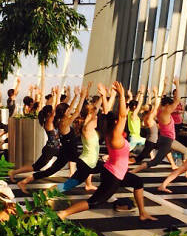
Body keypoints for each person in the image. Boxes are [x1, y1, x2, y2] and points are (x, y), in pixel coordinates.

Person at [58, 82, 157, 222]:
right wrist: (122, 96)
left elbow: (106, 113)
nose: (120, 121)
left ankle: (142, 213)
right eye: (118, 121)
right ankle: (63, 214)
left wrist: (105, 96)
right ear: (116, 122)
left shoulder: (108, 131)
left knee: (138, 182)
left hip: (113, 171)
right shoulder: (116, 136)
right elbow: (122, 116)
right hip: (113, 176)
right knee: (94, 202)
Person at [17, 85, 88, 193]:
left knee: (49, 172)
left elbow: (71, 109)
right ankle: (56, 189)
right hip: (70, 154)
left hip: (66, 153)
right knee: (87, 168)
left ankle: (25, 182)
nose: (71, 111)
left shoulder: (61, 121)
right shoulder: (64, 123)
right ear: (65, 112)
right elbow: (76, 111)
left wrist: (76, 96)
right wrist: (80, 97)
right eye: (68, 110)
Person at [9, 87, 62, 182]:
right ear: (49, 114)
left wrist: (54, 94)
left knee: (70, 156)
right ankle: (14, 172)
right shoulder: (48, 122)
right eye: (52, 112)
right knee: (35, 167)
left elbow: (54, 109)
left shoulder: (50, 121)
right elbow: (55, 108)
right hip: (50, 150)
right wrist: (56, 95)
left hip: (55, 149)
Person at [132, 77, 182, 173]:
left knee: (168, 152)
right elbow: (177, 100)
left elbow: (162, 98)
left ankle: (174, 165)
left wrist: (165, 86)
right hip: (167, 139)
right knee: (155, 161)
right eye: (170, 105)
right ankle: (133, 171)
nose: (172, 107)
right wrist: (177, 84)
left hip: (162, 138)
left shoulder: (159, 110)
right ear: (167, 105)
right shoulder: (166, 112)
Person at [135, 87, 161, 163]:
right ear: (150, 111)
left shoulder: (145, 116)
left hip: (150, 140)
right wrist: (156, 95)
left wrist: (150, 95)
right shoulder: (150, 117)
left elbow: (149, 106)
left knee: (166, 149)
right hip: (152, 141)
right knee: (138, 159)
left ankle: (152, 160)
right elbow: (156, 106)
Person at [127, 87, 146, 152]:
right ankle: (108, 157)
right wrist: (142, 93)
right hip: (134, 138)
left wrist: (138, 94)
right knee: (125, 151)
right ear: (134, 107)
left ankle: (152, 158)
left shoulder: (130, 112)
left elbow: (134, 102)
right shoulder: (133, 114)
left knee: (150, 144)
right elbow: (139, 103)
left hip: (137, 137)